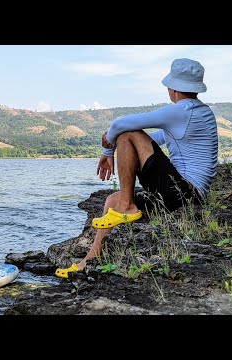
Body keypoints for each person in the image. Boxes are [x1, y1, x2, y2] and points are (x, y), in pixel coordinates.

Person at [55, 58, 218, 278]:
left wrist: (107, 150)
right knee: (111, 200)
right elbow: (152, 139)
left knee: (128, 133)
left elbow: (121, 126)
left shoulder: (182, 111)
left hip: (183, 192)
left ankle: (127, 205)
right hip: (183, 196)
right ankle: (89, 260)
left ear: (173, 88)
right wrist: (114, 145)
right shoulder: (199, 112)